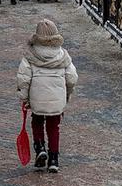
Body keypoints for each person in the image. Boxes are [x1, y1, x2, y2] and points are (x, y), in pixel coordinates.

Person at [16, 19, 78, 173]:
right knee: (54, 127)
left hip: (37, 99)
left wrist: (24, 98)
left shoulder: (30, 55)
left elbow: (23, 79)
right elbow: (72, 78)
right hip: (57, 100)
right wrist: (67, 94)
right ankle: (54, 159)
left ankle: (40, 148)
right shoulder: (63, 55)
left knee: (37, 123)